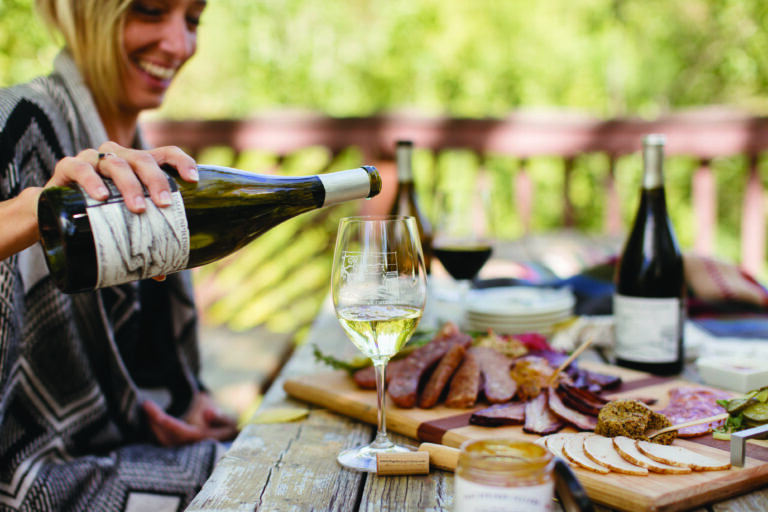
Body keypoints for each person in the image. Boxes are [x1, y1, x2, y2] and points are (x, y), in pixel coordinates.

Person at [0, 1, 239, 510]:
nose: (179, 44)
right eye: (151, 11)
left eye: (193, 19)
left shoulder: (143, 158)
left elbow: (143, 365)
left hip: (141, 449)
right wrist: (34, 208)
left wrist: (179, 401)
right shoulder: (15, 126)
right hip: (32, 483)